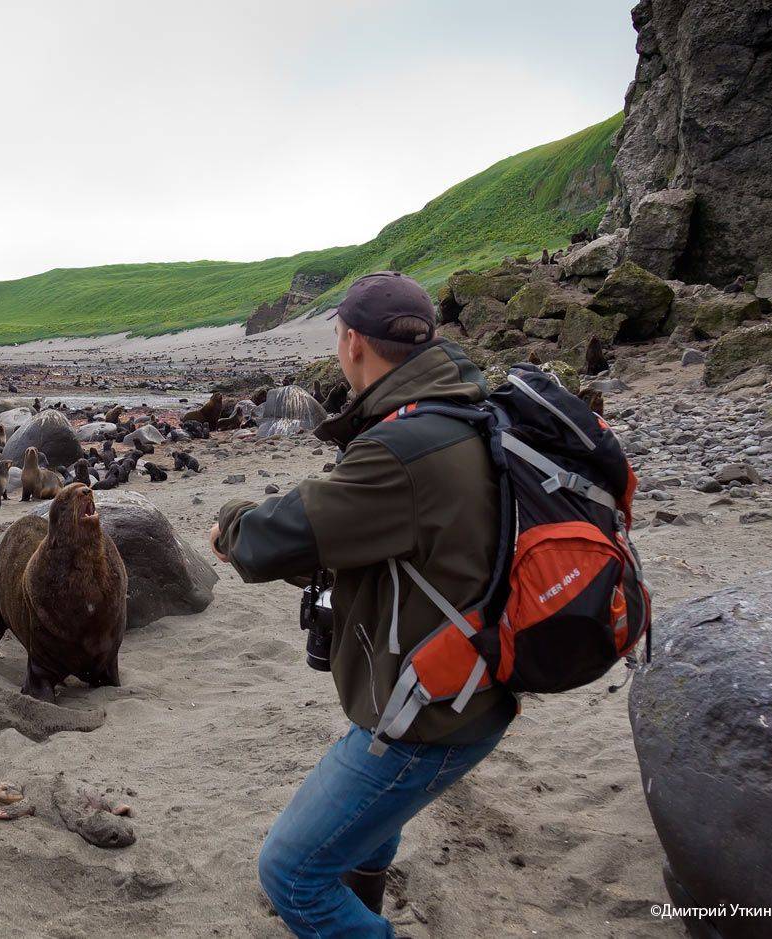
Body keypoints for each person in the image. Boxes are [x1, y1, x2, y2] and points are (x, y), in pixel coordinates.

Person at [209, 271, 515, 938]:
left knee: (290, 870)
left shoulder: (405, 449)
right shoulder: (463, 410)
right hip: (474, 684)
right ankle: (363, 906)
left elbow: (272, 542)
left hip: (432, 715)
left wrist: (232, 524)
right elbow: (389, 549)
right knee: (361, 833)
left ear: (350, 343)